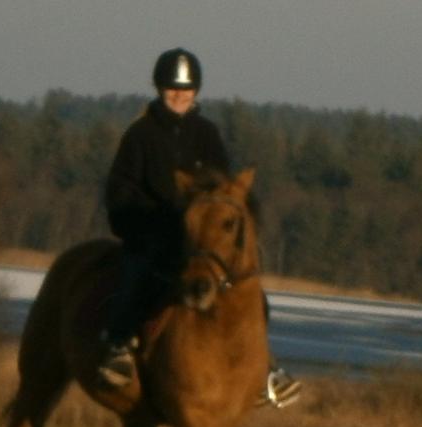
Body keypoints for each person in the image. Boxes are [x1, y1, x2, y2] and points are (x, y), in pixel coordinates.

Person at [98, 47, 301, 407]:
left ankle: (265, 370)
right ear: (159, 89)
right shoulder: (140, 135)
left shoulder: (207, 134)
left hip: (197, 243)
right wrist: (144, 223)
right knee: (134, 276)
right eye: (172, 89)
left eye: (186, 89)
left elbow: (221, 187)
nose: (179, 96)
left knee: (252, 296)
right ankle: (118, 346)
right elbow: (120, 190)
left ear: (196, 92)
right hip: (151, 237)